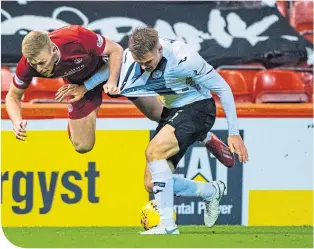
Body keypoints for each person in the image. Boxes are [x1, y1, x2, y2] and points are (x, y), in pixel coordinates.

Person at [119, 27, 248, 235]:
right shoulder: (129, 57)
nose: (144, 67)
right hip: (172, 110)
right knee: (151, 183)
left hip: (199, 108)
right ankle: (211, 191)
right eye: (139, 63)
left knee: (154, 151)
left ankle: (167, 226)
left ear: (159, 49)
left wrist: (234, 132)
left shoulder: (185, 58)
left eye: (148, 62)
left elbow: (223, 88)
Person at [5, 25, 122, 153]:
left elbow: (116, 50)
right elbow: (12, 96)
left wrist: (111, 81)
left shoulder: (76, 37)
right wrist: (16, 121)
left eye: (42, 62)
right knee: (83, 146)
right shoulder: (27, 66)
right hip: (78, 85)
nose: (39, 69)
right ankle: (86, 112)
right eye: (34, 63)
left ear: (53, 50)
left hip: (110, 70)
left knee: (145, 103)